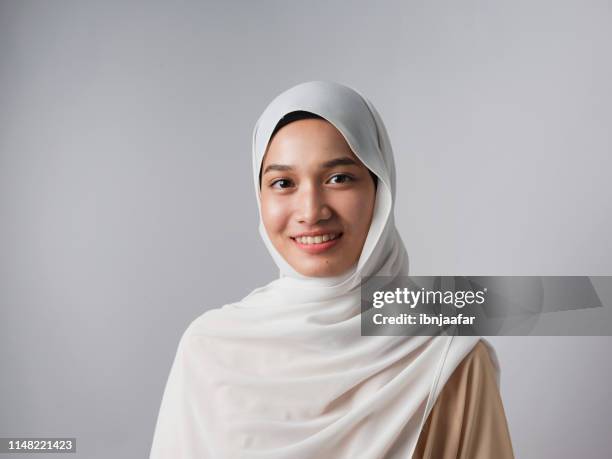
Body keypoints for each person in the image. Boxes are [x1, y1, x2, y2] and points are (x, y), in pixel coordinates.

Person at [149, 81, 514, 458]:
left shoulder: (449, 353)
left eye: (338, 178)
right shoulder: (210, 350)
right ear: (260, 196)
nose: (311, 211)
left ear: (380, 188)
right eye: (283, 183)